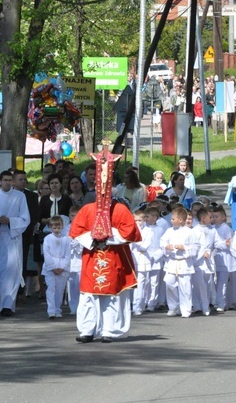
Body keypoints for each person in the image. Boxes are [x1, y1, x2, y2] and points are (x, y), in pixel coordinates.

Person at [68, 144, 142, 342]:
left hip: (113, 257)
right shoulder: (87, 209)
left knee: (111, 296)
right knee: (87, 295)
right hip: (92, 257)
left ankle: (109, 330)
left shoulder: (120, 209)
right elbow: (76, 231)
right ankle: (86, 330)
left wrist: (107, 235)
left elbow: (130, 232)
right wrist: (93, 237)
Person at [0, 170, 30, 316]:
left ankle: (8, 305)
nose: (7, 183)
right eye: (4, 180)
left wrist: (11, 221)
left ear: (12, 181)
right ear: (0, 180)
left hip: (13, 237)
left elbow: (25, 218)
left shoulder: (20, 196)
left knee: (12, 270)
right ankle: (1, 300)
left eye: (9, 180)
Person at [161, 207, 199, 318]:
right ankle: (173, 306)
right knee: (169, 282)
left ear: (181, 220)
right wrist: (166, 247)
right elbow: (162, 241)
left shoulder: (190, 232)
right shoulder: (169, 231)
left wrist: (184, 248)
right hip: (172, 262)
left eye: (173, 219)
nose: (171, 221)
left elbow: (196, 247)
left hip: (184, 262)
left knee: (185, 287)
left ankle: (186, 309)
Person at [42, 216, 72, 319]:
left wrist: (63, 266)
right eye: (54, 227)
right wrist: (53, 267)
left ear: (62, 226)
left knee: (60, 290)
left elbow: (68, 254)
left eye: (58, 226)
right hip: (50, 267)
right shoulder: (47, 239)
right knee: (51, 288)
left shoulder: (66, 239)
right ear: (50, 227)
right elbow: (46, 254)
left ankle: (57, 309)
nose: (56, 229)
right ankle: (51, 310)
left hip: (62, 266)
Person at [191, 208, 217, 316]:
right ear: (203, 218)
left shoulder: (212, 230)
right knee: (198, 284)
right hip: (197, 261)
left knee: (207, 284)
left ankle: (205, 305)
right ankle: (198, 305)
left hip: (208, 261)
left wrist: (210, 251)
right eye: (209, 217)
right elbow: (194, 246)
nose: (211, 219)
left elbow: (216, 243)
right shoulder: (194, 231)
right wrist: (202, 252)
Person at [211, 205, 236, 313]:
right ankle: (221, 301)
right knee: (218, 281)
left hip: (226, 258)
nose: (214, 219)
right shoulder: (213, 228)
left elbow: (229, 244)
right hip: (217, 257)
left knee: (223, 282)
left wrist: (219, 245)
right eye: (213, 216)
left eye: (217, 216)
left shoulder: (226, 228)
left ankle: (222, 303)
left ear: (223, 218)